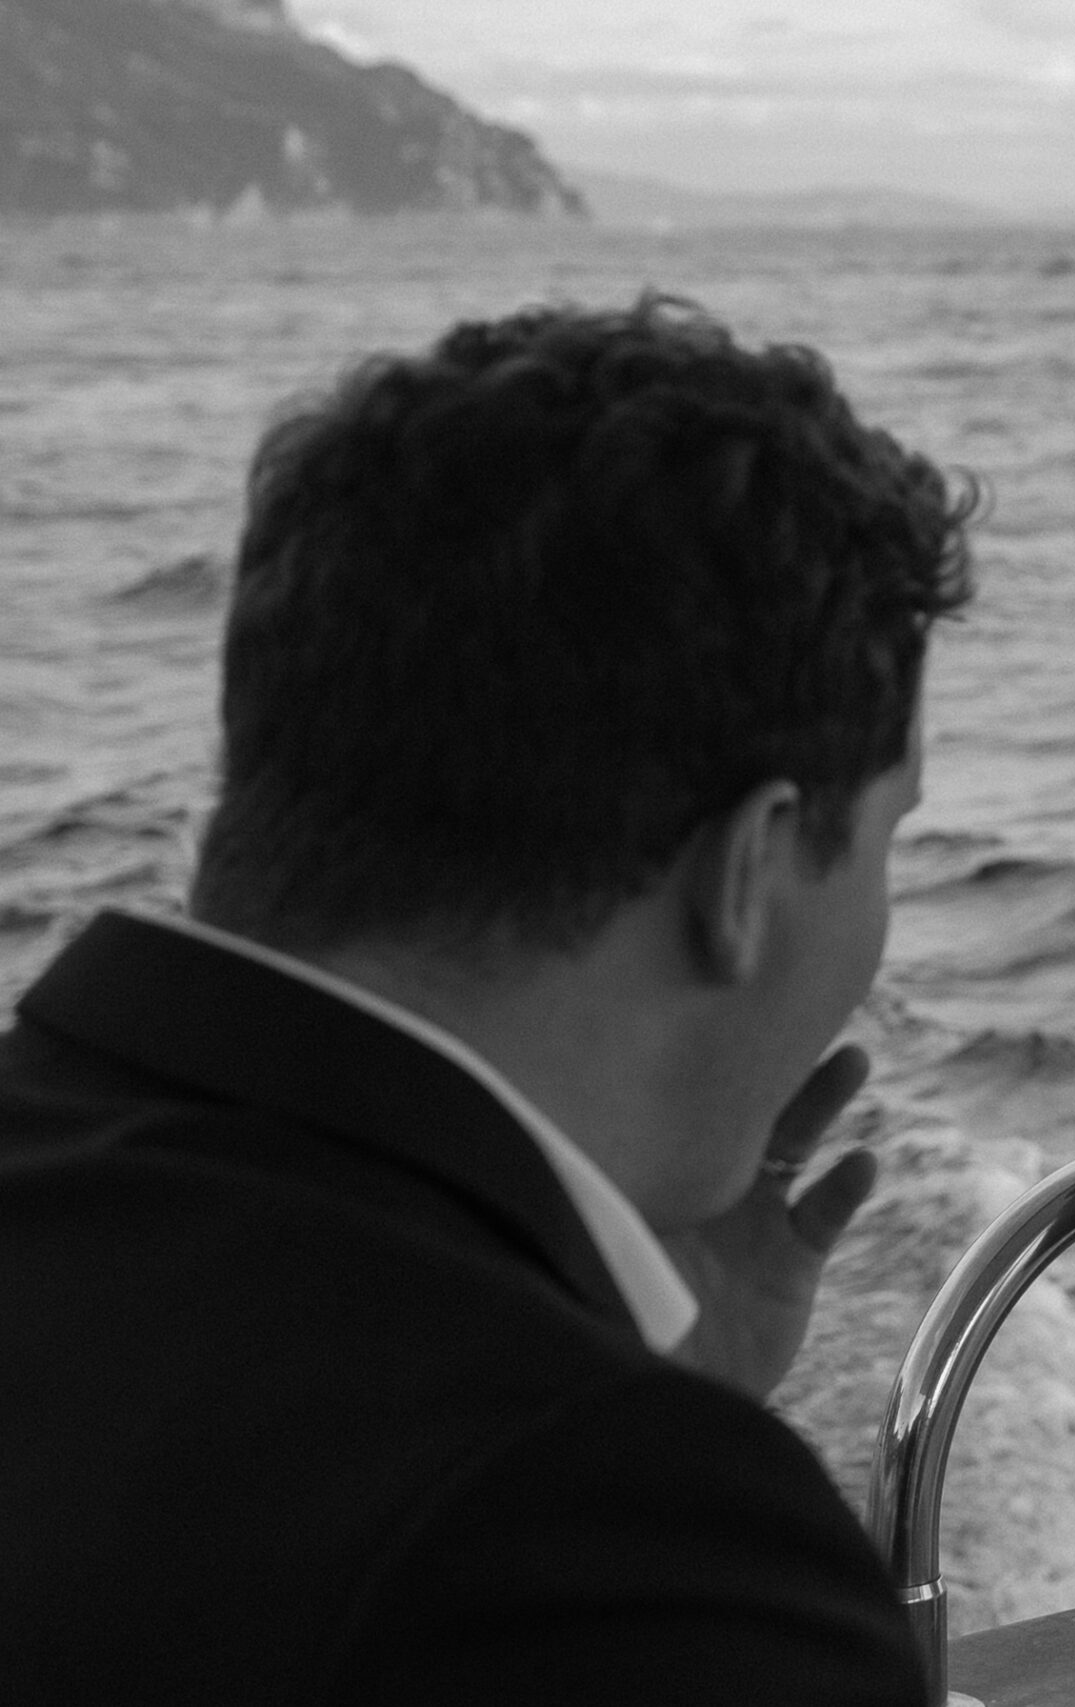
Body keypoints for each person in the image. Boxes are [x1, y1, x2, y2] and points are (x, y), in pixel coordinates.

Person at [0, 297, 971, 1704]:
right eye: (890, 838)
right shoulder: (616, 1538)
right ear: (749, 869)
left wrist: (603, 1345)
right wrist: (636, 1431)